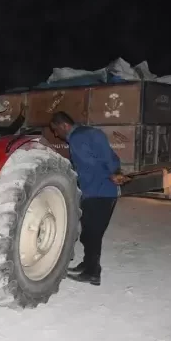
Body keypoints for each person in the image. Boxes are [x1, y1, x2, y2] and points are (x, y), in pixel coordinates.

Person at [49, 111, 130, 286]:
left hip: (98, 192)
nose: (56, 134)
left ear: (64, 125)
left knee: (92, 234)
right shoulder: (86, 135)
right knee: (90, 232)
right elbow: (105, 159)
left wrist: (112, 173)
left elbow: (97, 160)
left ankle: (92, 272)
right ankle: (87, 264)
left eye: (56, 129)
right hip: (99, 192)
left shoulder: (79, 137)